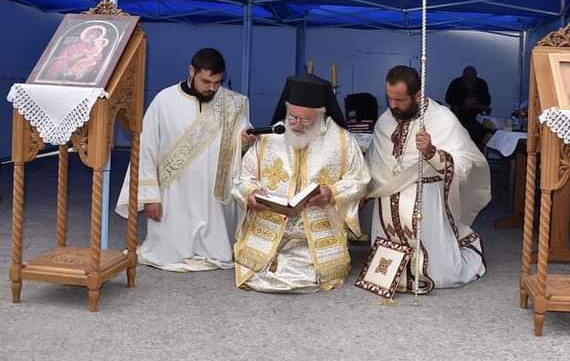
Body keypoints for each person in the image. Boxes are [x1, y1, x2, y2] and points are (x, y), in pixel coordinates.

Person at [115, 48, 253, 272]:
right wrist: (150, 197)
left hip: (213, 196)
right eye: (206, 81)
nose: (212, 88)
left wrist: (246, 141)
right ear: (191, 71)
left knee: (217, 248)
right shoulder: (164, 101)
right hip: (174, 194)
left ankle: (212, 251)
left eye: (217, 82)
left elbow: (242, 141)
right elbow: (146, 148)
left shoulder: (231, 103)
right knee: (167, 251)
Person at [232, 73, 370, 293]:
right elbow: (242, 176)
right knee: (258, 271)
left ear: (321, 115)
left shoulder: (341, 141)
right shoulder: (272, 135)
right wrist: (250, 194)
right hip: (270, 227)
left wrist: (332, 192)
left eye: (305, 120)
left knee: (313, 274)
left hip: (317, 233)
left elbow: (359, 180)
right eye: (292, 117)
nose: (296, 124)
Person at [365, 65, 491, 293]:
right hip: (387, 201)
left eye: (399, 100)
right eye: (389, 98)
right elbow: (375, 162)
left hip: (426, 199)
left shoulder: (442, 119)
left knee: (440, 276)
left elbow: (465, 163)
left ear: (417, 95)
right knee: (383, 274)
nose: (393, 105)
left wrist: (433, 153)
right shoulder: (386, 119)